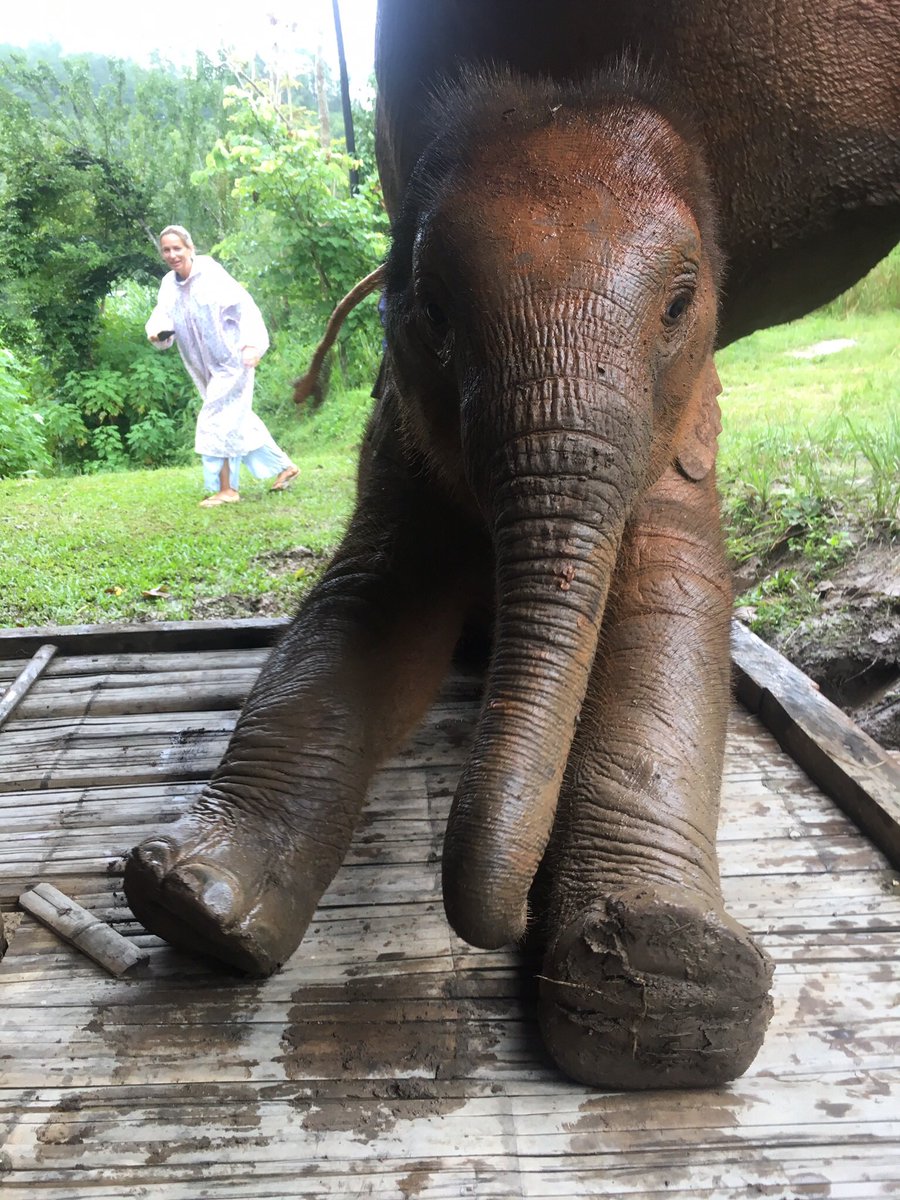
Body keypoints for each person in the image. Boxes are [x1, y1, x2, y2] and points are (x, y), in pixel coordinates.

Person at [146, 225, 298, 507]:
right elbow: (163, 315)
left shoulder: (210, 274)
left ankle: (227, 489)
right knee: (237, 417)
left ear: (190, 248)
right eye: (166, 250)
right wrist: (157, 332)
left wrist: (252, 345)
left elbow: (244, 307)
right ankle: (284, 466)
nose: (172, 254)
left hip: (233, 360)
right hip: (202, 365)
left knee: (216, 418)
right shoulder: (169, 284)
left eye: (177, 248)